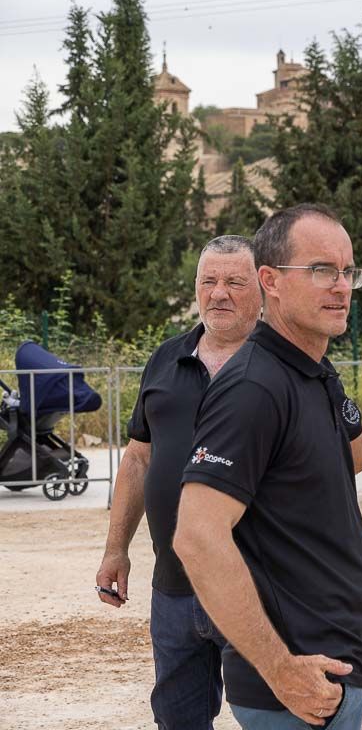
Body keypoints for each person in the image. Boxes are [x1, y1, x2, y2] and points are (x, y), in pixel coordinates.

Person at [173, 204, 362, 730]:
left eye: (347, 271)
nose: (340, 287)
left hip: (336, 667)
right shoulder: (252, 388)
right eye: (320, 271)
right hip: (293, 689)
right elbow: (197, 537)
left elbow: (320, 523)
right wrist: (280, 670)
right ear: (271, 281)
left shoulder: (314, 373)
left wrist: (361, 664)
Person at [95, 235, 261, 729]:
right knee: (177, 719)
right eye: (208, 281)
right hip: (174, 589)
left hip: (259, 586)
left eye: (234, 281)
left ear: (263, 287)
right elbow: (139, 458)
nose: (219, 293)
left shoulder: (285, 362)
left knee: (275, 717)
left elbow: (349, 457)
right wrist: (114, 549)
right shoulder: (165, 358)